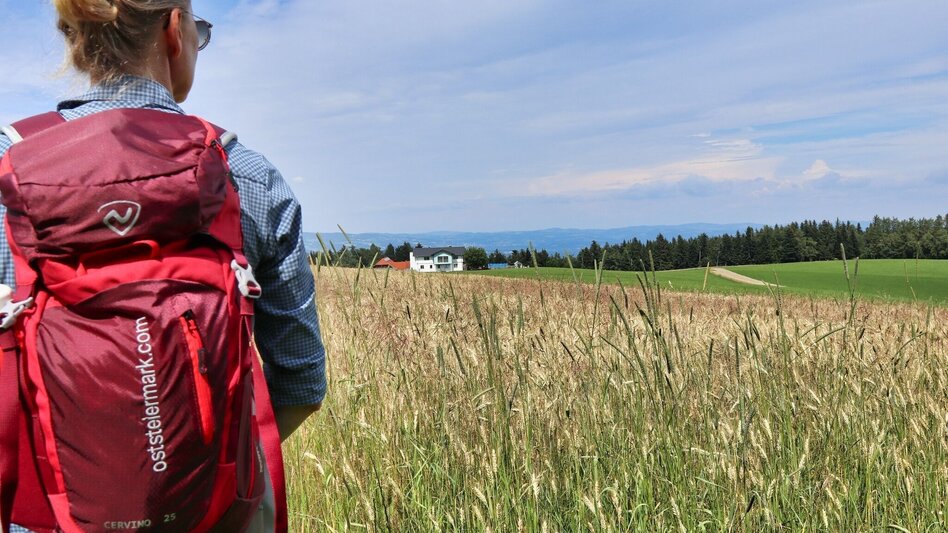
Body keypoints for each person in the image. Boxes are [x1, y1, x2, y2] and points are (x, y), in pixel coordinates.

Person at [0, 1, 327, 531]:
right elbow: (301, 384)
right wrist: (200, 473)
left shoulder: (7, 168)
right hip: (215, 514)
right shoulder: (245, 172)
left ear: (74, 35)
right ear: (176, 31)